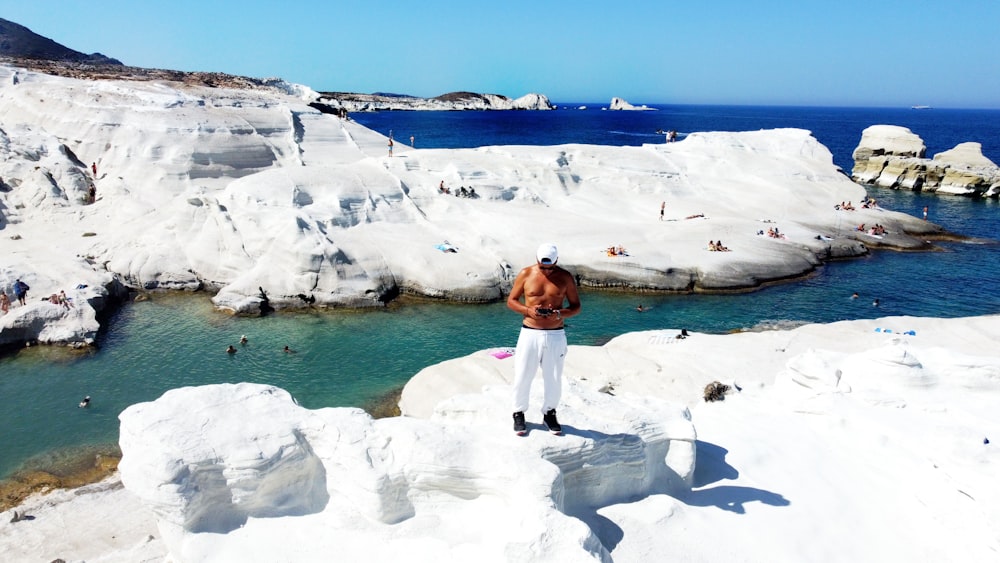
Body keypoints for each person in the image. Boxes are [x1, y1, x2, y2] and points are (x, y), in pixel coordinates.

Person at [507, 243, 581, 435]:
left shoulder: (565, 277)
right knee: (523, 374)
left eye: (551, 267)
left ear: (556, 261)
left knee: (554, 376)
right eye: (543, 267)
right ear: (537, 260)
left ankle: (549, 412)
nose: (547, 271)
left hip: (555, 334)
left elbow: (576, 307)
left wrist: (559, 313)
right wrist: (528, 310)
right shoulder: (526, 274)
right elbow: (511, 301)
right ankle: (518, 413)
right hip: (530, 332)